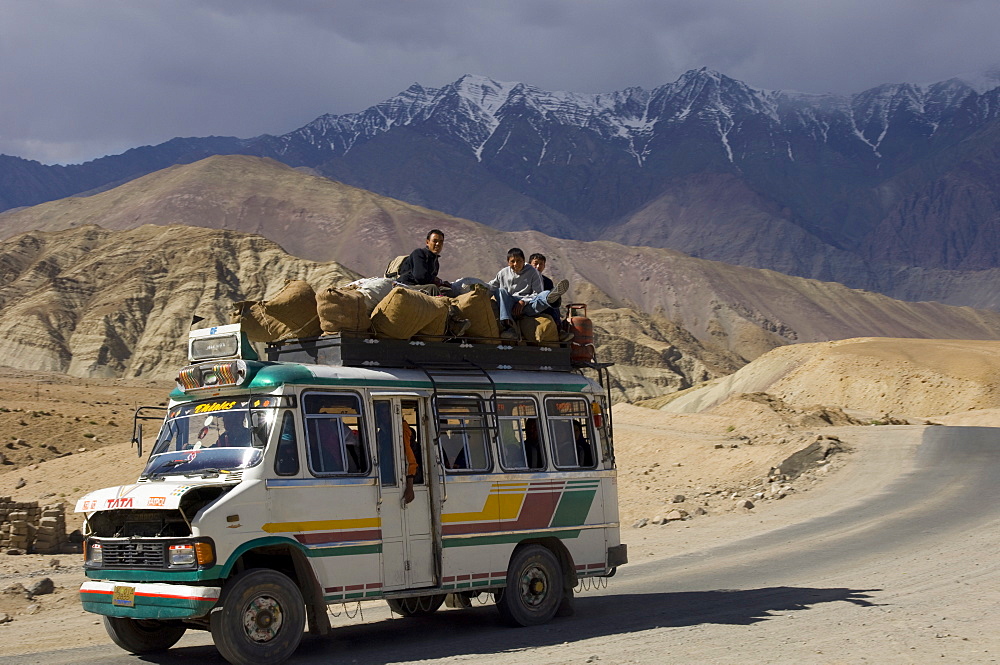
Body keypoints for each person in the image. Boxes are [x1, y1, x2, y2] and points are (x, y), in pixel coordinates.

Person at [489, 247, 568, 340]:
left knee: (544, 294)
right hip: (509, 305)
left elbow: (537, 293)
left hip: (526, 307)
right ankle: (508, 326)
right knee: (500, 291)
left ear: (524, 261)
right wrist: (478, 288)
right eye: (512, 261)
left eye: (519, 261)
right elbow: (491, 286)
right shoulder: (503, 273)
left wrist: (523, 301)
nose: (516, 264)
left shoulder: (533, 273)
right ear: (508, 262)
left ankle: (551, 298)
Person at [529, 252, 574, 342]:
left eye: (541, 264)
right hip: (529, 305)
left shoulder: (547, 282)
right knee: (548, 299)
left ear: (544, 266)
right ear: (530, 264)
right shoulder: (524, 279)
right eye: (535, 263)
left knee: (552, 301)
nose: (538, 266)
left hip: (543, 308)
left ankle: (559, 329)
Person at [398, 229, 452, 295]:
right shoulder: (419, 253)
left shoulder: (435, 262)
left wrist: (441, 283)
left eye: (441, 242)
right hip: (408, 285)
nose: (438, 244)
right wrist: (436, 280)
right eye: (435, 241)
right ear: (427, 242)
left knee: (449, 291)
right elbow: (420, 276)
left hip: (420, 286)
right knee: (433, 288)